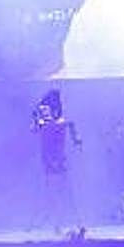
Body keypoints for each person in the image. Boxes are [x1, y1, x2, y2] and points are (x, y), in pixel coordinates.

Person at [31, 89, 82, 230]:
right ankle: (64, 222)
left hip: (55, 158)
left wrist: (75, 138)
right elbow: (36, 129)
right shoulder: (51, 122)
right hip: (53, 158)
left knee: (59, 190)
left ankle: (66, 222)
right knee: (60, 190)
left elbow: (36, 129)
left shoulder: (55, 122)